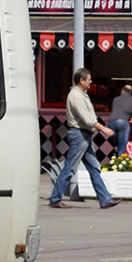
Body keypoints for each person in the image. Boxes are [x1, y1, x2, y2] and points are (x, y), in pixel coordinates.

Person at [50, 68, 120, 209]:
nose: (90, 82)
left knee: (94, 167)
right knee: (70, 167)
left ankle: (105, 199)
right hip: (79, 135)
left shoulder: (81, 94)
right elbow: (87, 119)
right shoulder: (75, 95)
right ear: (81, 80)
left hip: (84, 135)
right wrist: (104, 129)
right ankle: (55, 198)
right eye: (89, 79)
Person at [106, 83, 132, 157]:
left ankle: (115, 161)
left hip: (111, 122)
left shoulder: (115, 99)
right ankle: (120, 165)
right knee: (122, 147)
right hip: (123, 122)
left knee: (118, 144)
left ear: (122, 91)